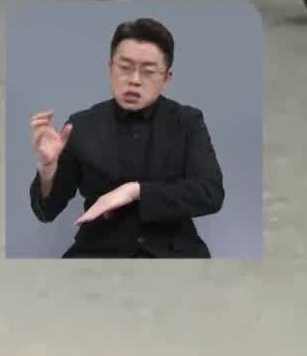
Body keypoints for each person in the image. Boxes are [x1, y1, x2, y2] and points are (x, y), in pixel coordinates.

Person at [28, 17, 225, 258]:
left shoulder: (187, 121)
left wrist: (135, 191)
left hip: (174, 252)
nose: (134, 80)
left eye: (149, 71)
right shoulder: (82, 124)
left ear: (166, 79)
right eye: (125, 67)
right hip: (99, 251)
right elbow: (47, 211)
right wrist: (48, 168)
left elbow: (210, 193)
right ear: (110, 68)